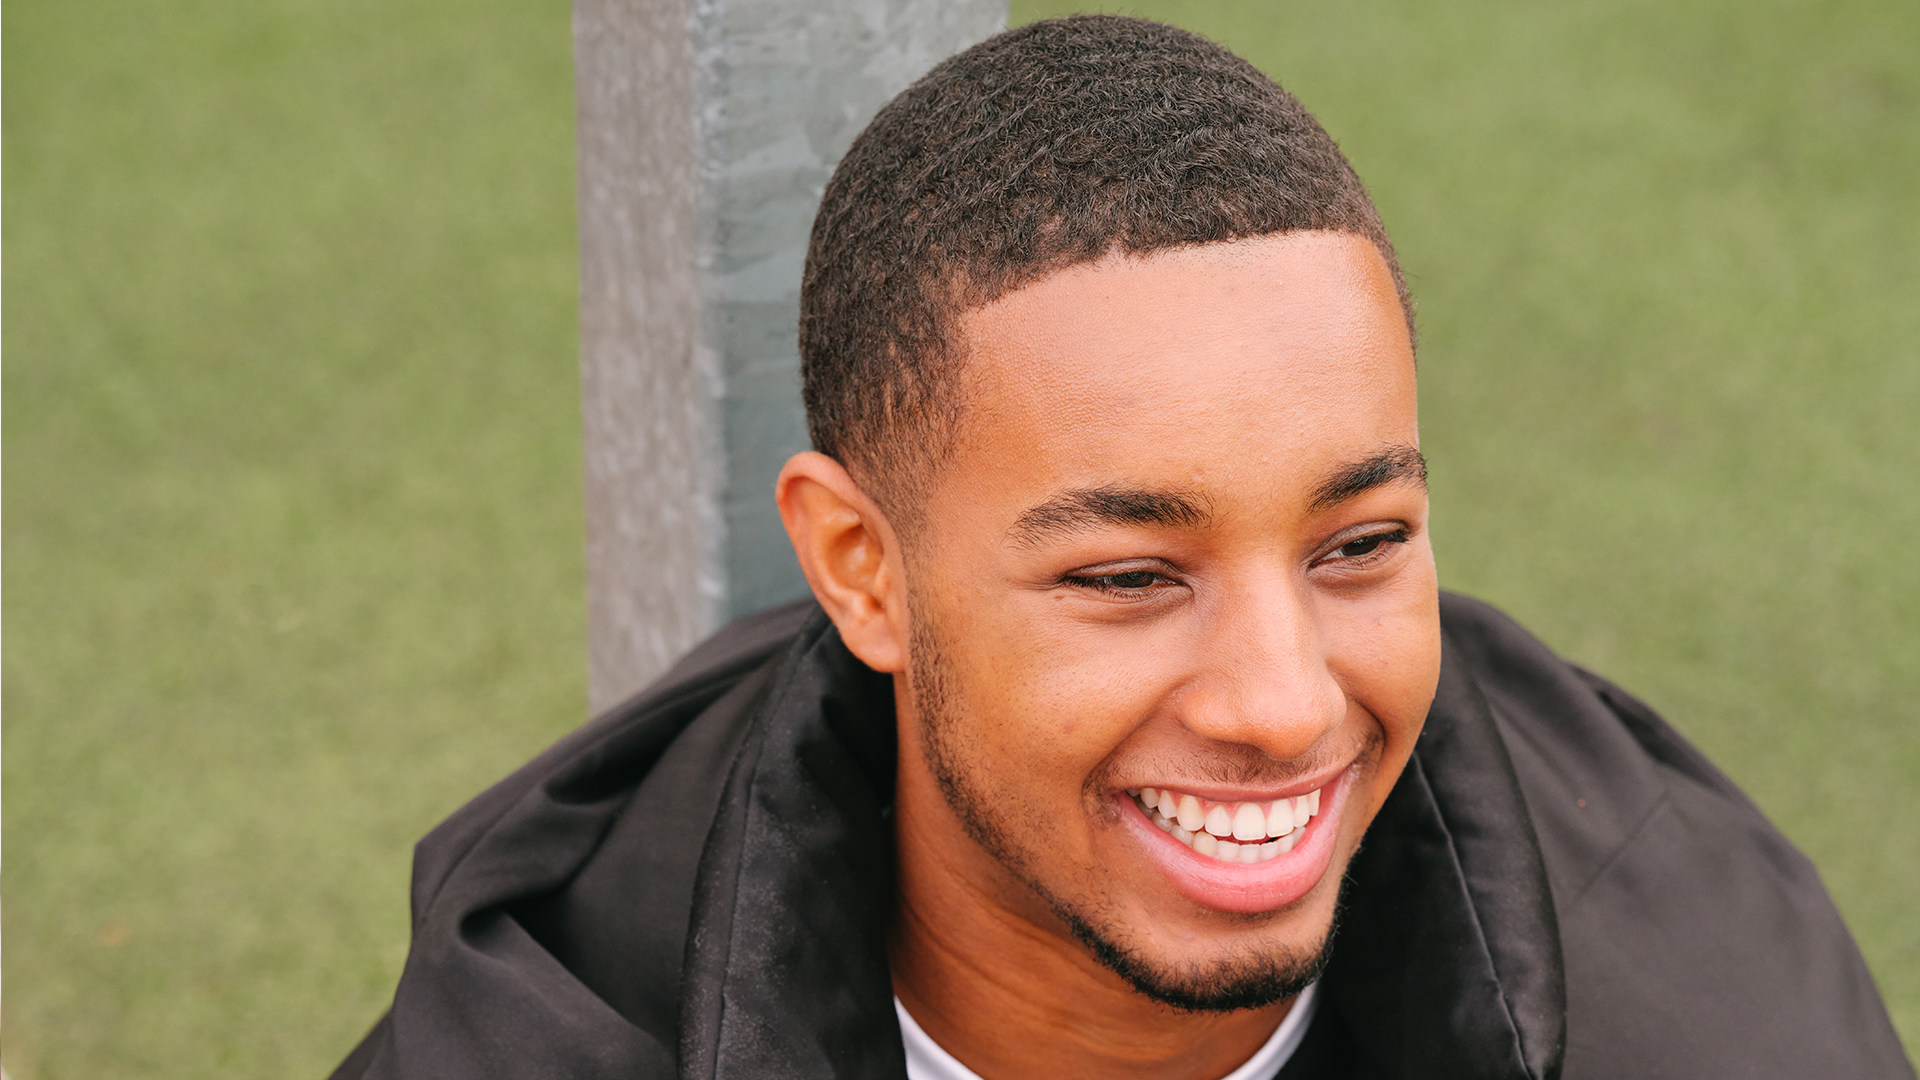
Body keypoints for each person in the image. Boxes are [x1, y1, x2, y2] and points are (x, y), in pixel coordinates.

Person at [331, 16, 1911, 1080]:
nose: (1282, 704)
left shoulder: (1710, 1005)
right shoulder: (538, 1017)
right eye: (1129, 576)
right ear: (861, 569)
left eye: (1356, 543)